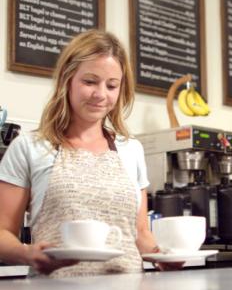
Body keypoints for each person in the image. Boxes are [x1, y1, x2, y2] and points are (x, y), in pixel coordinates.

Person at [0, 29, 173, 277]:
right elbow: (2, 232)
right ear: (66, 80)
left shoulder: (131, 148)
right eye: (90, 82)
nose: (101, 94)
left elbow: (140, 233)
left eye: (112, 85)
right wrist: (27, 253)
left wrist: (161, 256)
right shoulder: (29, 147)